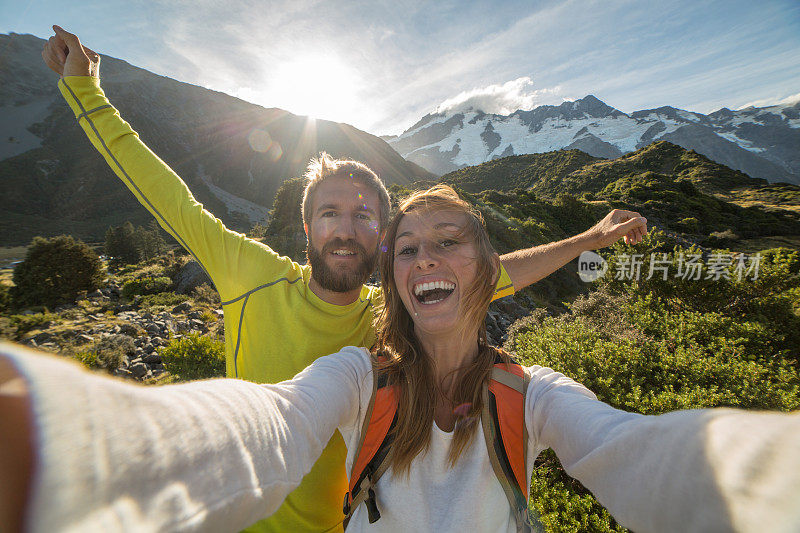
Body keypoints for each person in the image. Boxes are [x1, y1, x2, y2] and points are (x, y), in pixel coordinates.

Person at [39, 26, 649, 532]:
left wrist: (593, 240)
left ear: (382, 238)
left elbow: (494, 275)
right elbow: (165, 195)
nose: (345, 229)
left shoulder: (395, 309)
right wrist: (88, 96)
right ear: (306, 227)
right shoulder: (251, 274)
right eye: (329, 213)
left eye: (364, 216)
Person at [1, 185, 799, 532]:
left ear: (484, 269)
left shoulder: (534, 395)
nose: (424, 260)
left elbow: (642, 451)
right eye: (408, 248)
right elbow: (267, 426)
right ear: (395, 280)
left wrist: (774, 485)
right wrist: (83, 443)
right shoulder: (358, 378)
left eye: (449, 244)